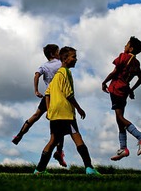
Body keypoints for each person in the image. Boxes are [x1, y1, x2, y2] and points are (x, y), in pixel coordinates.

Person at [33, 46, 100, 175]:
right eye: (73, 57)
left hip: (55, 113)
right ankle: (89, 168)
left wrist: (49, 110)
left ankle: (39, 170)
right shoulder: (66, 72)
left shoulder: (56, 76)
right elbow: (69, 94)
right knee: (77, 138)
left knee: (53, 141)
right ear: (65, 58)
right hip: (66, 113)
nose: (76, 59)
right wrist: (79, 109)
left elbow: (48, 93)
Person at [12, 44, 66, 167]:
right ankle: (58, 152)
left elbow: (36, 75)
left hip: (48, 94)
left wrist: (36, 90)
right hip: (58, 97)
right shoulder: (60, 63)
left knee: (36, 115)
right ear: (53, 54)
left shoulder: (44, 66)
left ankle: (19, 135)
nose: (60, 53)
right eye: (58, 51)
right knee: (59, 125)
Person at [101, 36, 141, 161]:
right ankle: (123, 148)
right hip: (124, 92)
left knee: (120, 118)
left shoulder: (123, 57)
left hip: (116, 89)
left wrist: (104, 82)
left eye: (127, 44)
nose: (125, 46)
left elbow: (114, 72)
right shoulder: (136, 63)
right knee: (119, 121)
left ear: (131, 48)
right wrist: (131, 89)